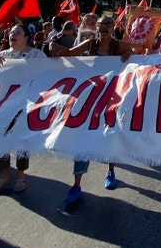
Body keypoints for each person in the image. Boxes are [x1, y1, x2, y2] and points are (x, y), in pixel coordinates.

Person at [52, 15, 132, 209]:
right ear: (96, 28)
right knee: (82, 136)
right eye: (100, 25)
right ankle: (76, 185)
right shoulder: (90, 43)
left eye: (107, 24)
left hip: (112, 98)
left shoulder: (119, 46)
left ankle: (111, 171)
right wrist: (52, 46)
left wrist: (128, 54)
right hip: (92, 98)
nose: (103, 27)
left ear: (113, 27)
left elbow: (134, 55)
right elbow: (69, 54)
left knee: (110, 134)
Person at [0, 24, 47, 193]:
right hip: (5, 104)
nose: (12, 35)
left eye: (17, 32)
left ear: (26, 37)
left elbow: (49, 73)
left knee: (22, 139)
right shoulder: (3, 55)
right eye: (11, 32)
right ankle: (4, 173)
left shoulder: (37, 55)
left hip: (27, 104)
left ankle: (21, 175)